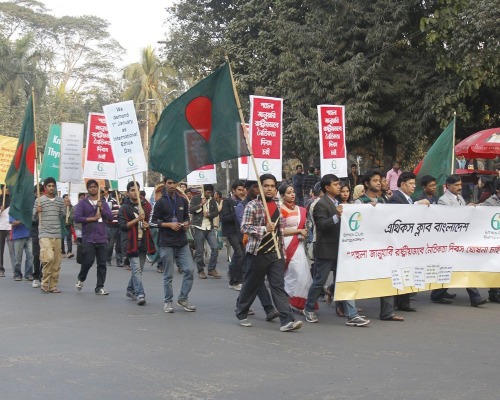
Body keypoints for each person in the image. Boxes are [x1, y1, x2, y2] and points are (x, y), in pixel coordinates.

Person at [236, 174, 302, 332]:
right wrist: (264, 228)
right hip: (257, 253)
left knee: (278, 286)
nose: (269, 189)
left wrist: (296, 232)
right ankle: (241, 313)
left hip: (276, 253)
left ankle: (286, 321)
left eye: (272, 186)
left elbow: (280, 230)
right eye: (266, 186)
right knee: (252, 284)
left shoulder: (278, 205)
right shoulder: (252, 205)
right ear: (260, 187)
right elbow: (244, 227)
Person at [303, 174, 370, 327]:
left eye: (339, 184)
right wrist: (336, 216)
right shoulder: (321, 204)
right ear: (327, 187)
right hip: (326, 249)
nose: (339, 187)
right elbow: (320, 225)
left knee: (345, 280)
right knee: (320, 280)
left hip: (342, 249)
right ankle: (308, 308)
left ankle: (352, 315)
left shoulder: (339, 202)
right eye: (336, 184)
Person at [353, 170, 404, 321]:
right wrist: (369, 211)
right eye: (375, 180)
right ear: (367, 184)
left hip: (382, 246)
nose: (378, 183)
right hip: (365, 247)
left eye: (379, 180)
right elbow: (357, 224)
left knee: (387, 276)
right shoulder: (360, 202)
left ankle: (387, 312)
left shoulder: (383, 201)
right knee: (357, 277)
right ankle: (336, 294)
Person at [431, 175, 487, 307]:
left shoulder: (460, 198)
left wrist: (469, 207)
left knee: (455, 267)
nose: (459, 187)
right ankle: (475, 297)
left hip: (461, 238)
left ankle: (437, 294)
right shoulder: (443, 200)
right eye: (456, 185)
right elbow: (449, 217)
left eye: (460, 184)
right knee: (463, 266)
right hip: (451, 240)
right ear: (448, 186)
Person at [150, 177, 196, 313]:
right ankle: (168, 301)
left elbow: (187, 217)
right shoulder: (159, 203)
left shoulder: (182, 200)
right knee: (168, 275)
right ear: (165, 185)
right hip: (166, 243)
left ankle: (183, 298)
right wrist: (168, 224)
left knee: (189, 270)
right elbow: (152, 222)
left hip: (182, 242)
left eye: (174, 183)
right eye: (169, 183)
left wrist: (186, 224)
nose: (172, 185)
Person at [235, 180, 279, 320]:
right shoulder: (245, 205)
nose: (259, 189)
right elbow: (245, 226)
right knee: (252, 280)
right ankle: (242, 308)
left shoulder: (272, 203)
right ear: (248, 189)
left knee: (258, 280)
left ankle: (269, 309)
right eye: (256, 187)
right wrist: (265, 227)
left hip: (270, 248)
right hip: (251, 246)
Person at [388, 172, 430, 311]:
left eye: (414, 184)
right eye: (411, 184)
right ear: (402, 184)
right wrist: (418, 204)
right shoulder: (396, 198)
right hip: (398, 242)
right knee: (400, 271)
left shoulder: (408, 199)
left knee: (407, 271)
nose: (413, 186)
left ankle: (403, 302)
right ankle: (399, 302)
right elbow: (401, 215)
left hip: (408, 241)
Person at [74, 180, 114, 295]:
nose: (93, 189)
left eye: (95, 187)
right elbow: (77, 218)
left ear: (98, 188)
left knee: (102, 264)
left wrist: (102, 209)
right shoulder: (83, 203)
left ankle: (99, 287)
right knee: (88, 262)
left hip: (102, 238)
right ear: (87, 189)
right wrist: (92, 219)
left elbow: (111, 217)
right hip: (89, 237)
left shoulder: (102, 203)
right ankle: (81, 278)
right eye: (90, 187)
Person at [119, 182, 156, 306]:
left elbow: (152, 221)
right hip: (131, 242)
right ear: (128, 192)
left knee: (138, 270)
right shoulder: (124, 208)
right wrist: (137, 220)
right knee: (135, 269)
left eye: (137, 190)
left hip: (144, 240)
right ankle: (140, 294)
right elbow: (122, 226)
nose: (135, 192)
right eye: (132, 190)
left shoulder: (146, 205)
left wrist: (147, 224)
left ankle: (130, 289)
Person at [279, 184, 313, 312]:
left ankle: (298, 302)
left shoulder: (301, 209)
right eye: (288, 193)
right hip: (286, 244)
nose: (292, 195)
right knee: (292, 272)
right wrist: (298, 231)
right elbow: (280, 230)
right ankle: (289, 300)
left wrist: (303, 232)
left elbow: (306, 225)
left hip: (298, 245)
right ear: (282, 196)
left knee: (302, 273)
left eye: (293, 192)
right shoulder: (280, 210)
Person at [33, 177, 66, 293]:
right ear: (45, 187)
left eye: (53, 186)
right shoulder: (39, 201)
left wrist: (67, 206)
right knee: (48, 258)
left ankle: (53, 286)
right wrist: (37, 211)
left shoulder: (59, 201)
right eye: (49, 186)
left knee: (56, 261)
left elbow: (64, 216)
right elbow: (33, 218)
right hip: (44, 233)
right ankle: (45, 282)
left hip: (57, 234)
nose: (51, 188)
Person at [189, 184, 221, 279]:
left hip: (209, 227)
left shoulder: (212, 200)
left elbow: (216, 212)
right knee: (199, 250)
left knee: (215, 248)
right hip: (199, 227)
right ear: (204, 191)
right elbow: (191, 210)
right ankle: (201, 270)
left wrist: (209, 214)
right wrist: (200, 205)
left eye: (211, 193)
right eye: (208, 192)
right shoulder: (196, 198)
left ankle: (211, 269)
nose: (209, 194)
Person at [220, 180, 245, 290]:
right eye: (239, 190)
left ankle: (234, 277)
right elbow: (224, 218)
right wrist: (236, 213)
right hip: (231, 232)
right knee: (239, 254)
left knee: (240, 255)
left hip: (240, 232)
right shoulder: (227, 202)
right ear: (233, 190)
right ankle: (236, 281)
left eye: (242, 190)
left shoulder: (241, 202)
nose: (241, 192)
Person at [480, 179, 500, 302]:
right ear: (497, 190)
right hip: (494, 238)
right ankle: (494, 293)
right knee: (496, 266)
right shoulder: (490, 202)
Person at [9, 215, 33, 281]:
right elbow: (13, 223)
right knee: (17, 258)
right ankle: (17, 274)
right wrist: (23, 220)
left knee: (30, 256)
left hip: (29, 236)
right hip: (18, 237)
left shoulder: (28, 209)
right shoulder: (14, 210)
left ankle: (29, 274)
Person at [104, 190, 123, 267]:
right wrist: (117, 212)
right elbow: (106, 213)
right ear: (117, 195)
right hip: (112, 226)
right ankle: (108, 259)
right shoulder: (110, 203)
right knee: (110, 244)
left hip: (119, 225)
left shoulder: (119, 203)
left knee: (119, 244)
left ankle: (119, 261)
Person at [31, 184, 44, 288]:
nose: (39, 194)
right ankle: (35, 276)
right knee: (36, 254)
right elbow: (31, 218)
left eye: (41, 192)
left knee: (46, 255)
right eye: (37, 192)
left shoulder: (48, 201)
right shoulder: (33, 202)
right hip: (36, 230)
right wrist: (36, 212)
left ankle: (43, 274)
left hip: (47, 231)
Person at [0, 186, 14, 278]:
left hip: (11, 227)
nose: (8, 189)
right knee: (0, 250)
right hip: (1, 227)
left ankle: (15, 270)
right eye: (5, 187)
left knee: (12, 249)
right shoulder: (0, 199)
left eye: (9, 187)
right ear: (2, 189)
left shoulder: (13, 199)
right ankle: (1, 269)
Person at [61, 194, 74, 259]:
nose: (67, 199)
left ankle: (69, 251)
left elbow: (72, 214)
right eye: (66, 198)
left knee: (69, 238)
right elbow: (61, 214)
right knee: (62, 239)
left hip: (68, 224)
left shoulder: (71, 207)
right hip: (62, 224)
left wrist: (70, 206)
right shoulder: (61, 206)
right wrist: (65, 207)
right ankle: (62, 252)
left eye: (68, 198)